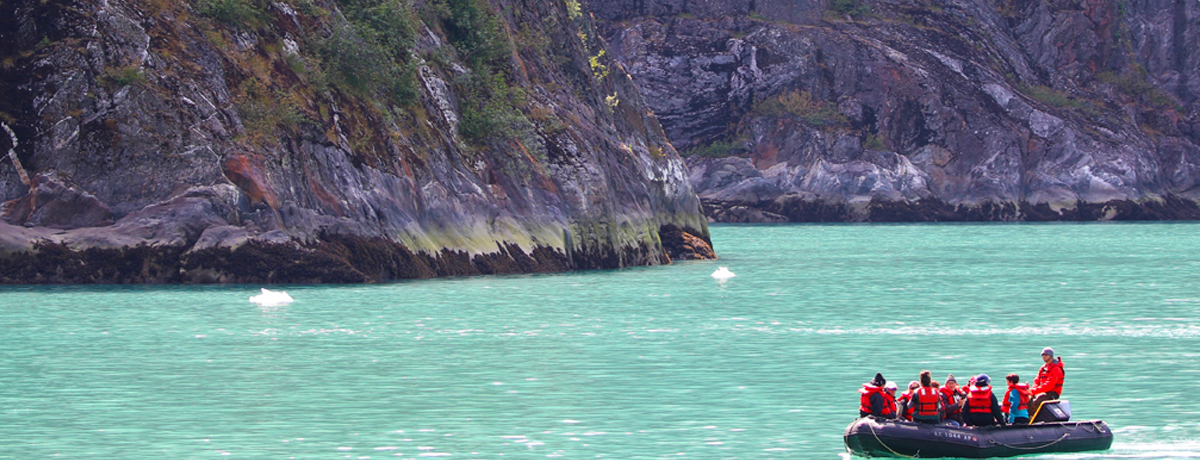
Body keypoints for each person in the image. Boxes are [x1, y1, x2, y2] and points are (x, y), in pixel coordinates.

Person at [1030, 347, 1065, 415]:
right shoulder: (1043, 368)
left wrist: (1035, 391)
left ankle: (1035, 418)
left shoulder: (1056, 369)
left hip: (1052, 392)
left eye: (1046, 355)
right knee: (1025, 399)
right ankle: (1026, 418)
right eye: (1042, 355)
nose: (1044, 356)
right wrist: (1033, 390)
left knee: (1037, 401)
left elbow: (1050, 385)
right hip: (1041, 391)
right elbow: (1037, 380)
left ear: (1050, 356)